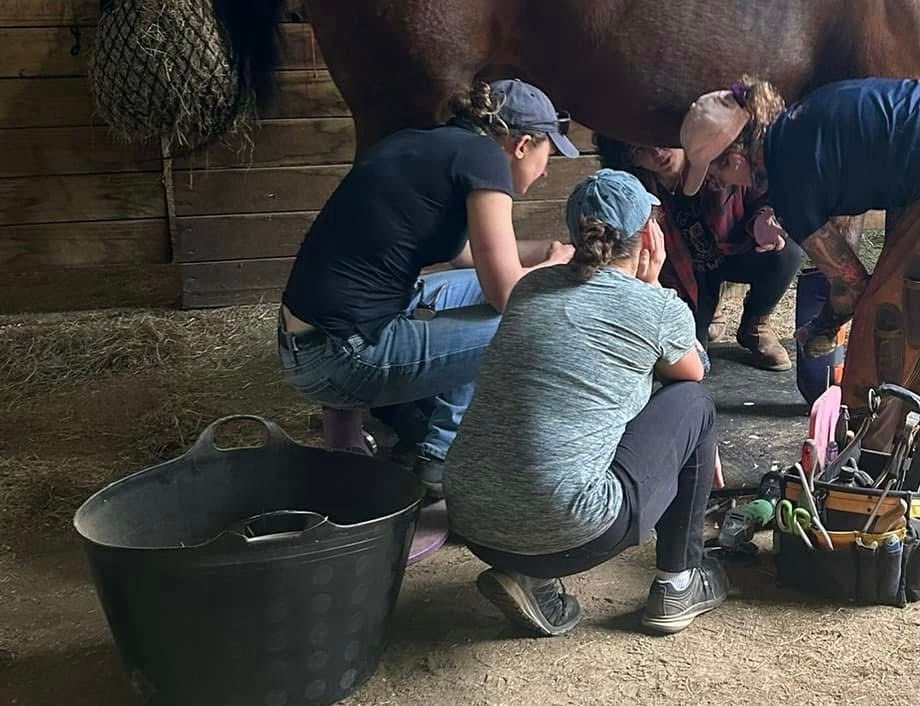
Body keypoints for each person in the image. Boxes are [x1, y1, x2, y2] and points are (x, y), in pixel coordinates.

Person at [443, 169, 728, 637]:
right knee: (694, 404)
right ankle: (679, 582)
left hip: (475, 521)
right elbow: (692, 371)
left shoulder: (529, 288)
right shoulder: (657, 308)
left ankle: (532, 579)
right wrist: (655, 286)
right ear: (649, 236)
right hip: (575, 530)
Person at [276, 79, 578, 494]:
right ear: (522, 144)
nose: (546, 172)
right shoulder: (488, 159)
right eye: (549, 155)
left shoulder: (428, 143)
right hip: (342, 359)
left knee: (469, 289)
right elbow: (507, 294)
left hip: (306, 342)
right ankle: (442, 458)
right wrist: (554, 266)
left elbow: (466, 256)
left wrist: (546, 250)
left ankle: (382, 427)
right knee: (530, 320)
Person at [677, 76, 920, 359]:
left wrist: (820, 330)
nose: (720, 184)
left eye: (717, 176)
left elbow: (852, 288)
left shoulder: (790, 186)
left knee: (896, 315)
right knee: (899, 293)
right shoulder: (802, 114)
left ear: (735, 161)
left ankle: (885, 439)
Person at [594, 136, 802, 371]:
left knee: (787, 253)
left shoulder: (718, 157)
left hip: (737, 250)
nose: (657, 152)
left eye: (661, 138)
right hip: (687, 276)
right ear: (631, 160)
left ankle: (756, 324)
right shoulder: (636, 191)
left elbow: (764, 192)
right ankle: (708, 314)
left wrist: (764, 217)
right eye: (641, 149)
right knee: (694, 359)